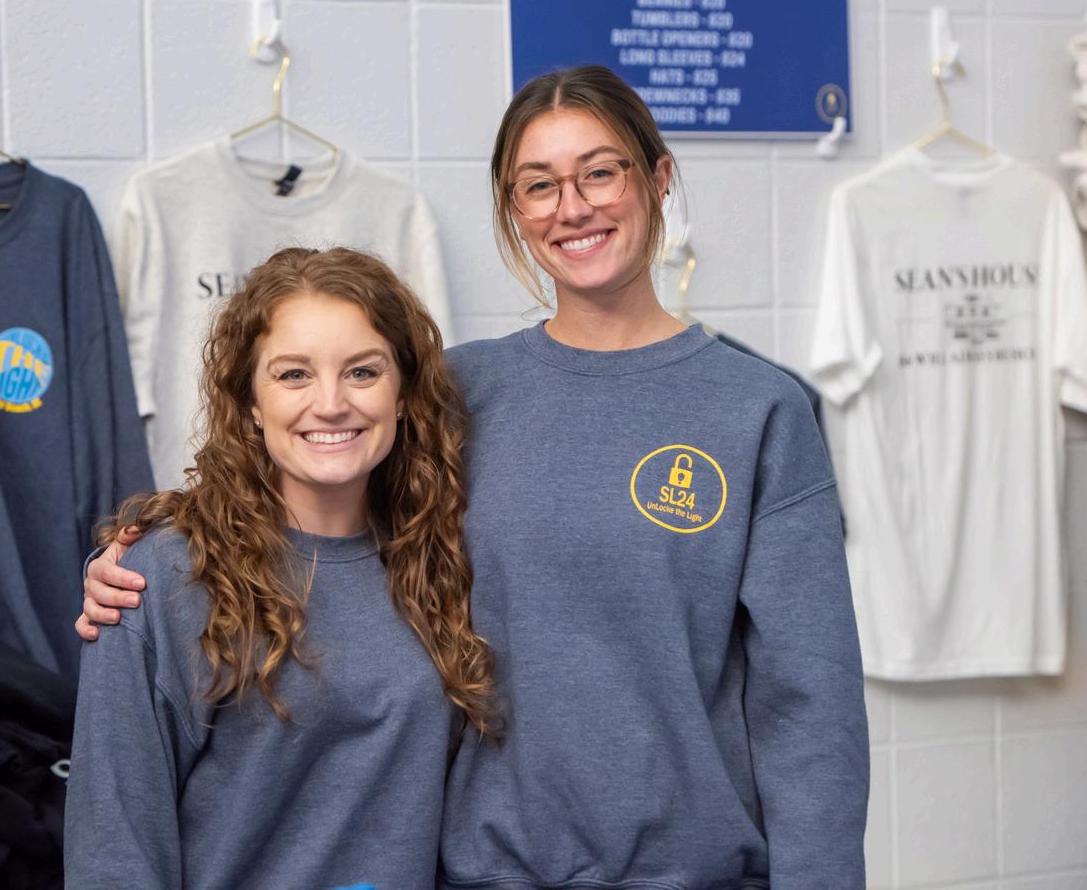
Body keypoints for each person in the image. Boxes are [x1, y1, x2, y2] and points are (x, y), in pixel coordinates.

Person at [79, 66, 869, 888]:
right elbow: (312, 489)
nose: (573, 206)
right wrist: (142, 560)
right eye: (540, 184)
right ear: (513, 208)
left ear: (658, 178)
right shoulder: (458, 393)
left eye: (600, 172)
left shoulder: (757, 410)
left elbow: (810, 708)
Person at [64, 247, 498, 889]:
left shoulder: (441, 557)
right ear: (249, 401)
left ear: (404, 394)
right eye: (293, 374)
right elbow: (114, 847)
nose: (330, 403)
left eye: (362, 371)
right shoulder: (162, 573)